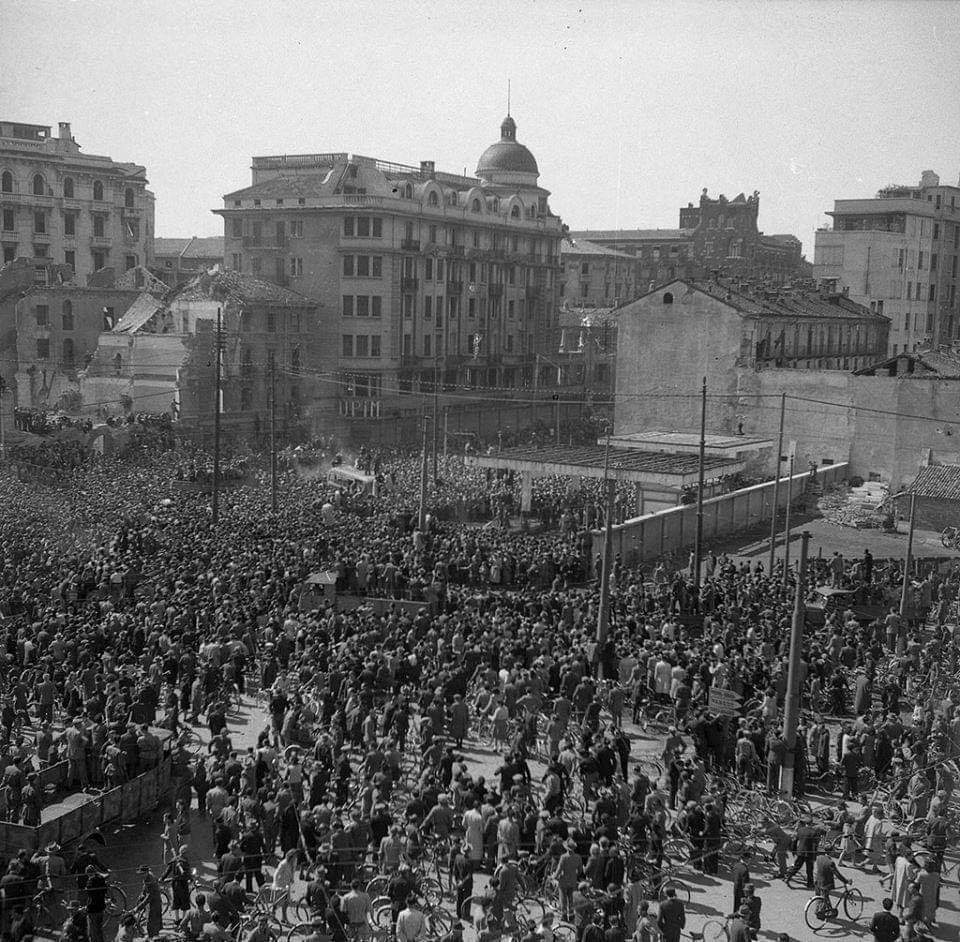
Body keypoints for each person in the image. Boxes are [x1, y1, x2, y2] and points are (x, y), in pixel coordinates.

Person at [813, 848, 849, 919]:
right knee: (825, 897)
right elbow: (838, 874)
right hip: (825, 883)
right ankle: (821, 913)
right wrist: (846, 881)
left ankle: (818, 910)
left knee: (819, 897)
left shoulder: (819, 857)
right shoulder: (830, 862)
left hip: (818, 880)